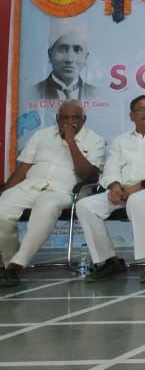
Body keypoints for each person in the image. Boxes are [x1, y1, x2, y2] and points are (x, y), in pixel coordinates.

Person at [76, 95, 145, 283]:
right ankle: (110, 262)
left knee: (138, 199)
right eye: (142, 110)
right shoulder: (121, 140)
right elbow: (111, 166)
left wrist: (136, 188)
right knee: (85, 205)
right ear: (132, 116)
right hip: (123, 190)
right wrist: (114, 187)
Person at [0, 101, 105, 287]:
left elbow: (87, 175)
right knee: (2, 209)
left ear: (84, 119)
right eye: (65, 118)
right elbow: (23, 169)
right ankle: (8, 265)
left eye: (75, 118)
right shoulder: (41, 135)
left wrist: (71, 141)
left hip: (64, 191)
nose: (70, 122)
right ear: (57, 118)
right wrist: (5, 191)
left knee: (47, 205)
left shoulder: (94, 140)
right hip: (31, 186)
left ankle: (17, 265)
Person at [33, 18, 102, 101]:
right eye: (63, 49)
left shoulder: (97, 95)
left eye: (77, 50)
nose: (69, 59)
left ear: (86, 57)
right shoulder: (34, 93)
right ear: (50, 55)